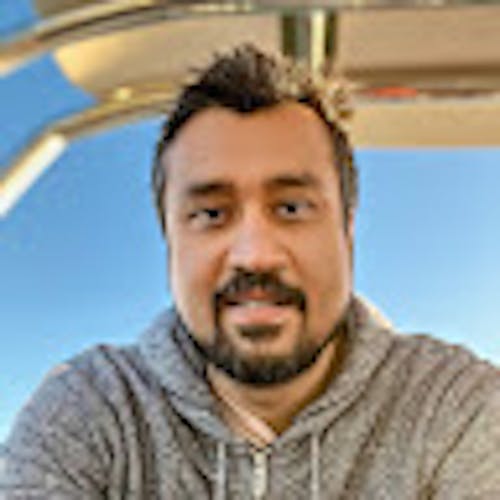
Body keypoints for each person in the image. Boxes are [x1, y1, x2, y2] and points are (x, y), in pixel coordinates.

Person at [1, 45, 499, 499]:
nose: (256, 255)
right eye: (211, 214)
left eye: (291, 208)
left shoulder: (459, 409)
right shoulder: (89, 412)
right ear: (170, 242)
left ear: (347, 232)